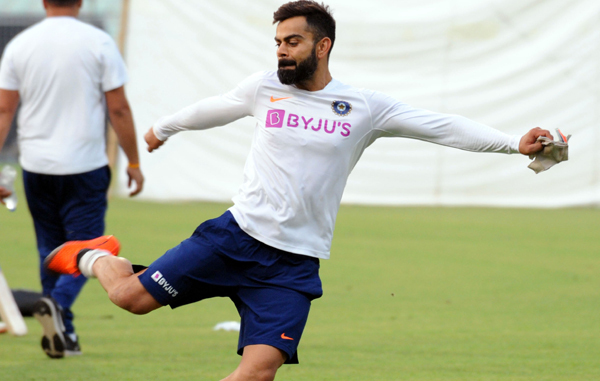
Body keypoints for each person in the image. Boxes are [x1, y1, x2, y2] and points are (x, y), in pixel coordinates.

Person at [44, 0, 552, 379]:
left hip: (290, 268)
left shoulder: (364, 107)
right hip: (232, 240)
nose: (283, 51)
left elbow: (440, 126)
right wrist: (162, 129)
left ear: (322, 45)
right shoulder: (264, 87)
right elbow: (213, 107)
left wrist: (514, 144)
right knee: (130, 299)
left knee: (258, 373)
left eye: (293, 41)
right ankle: (94, 256)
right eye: (279, 42)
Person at [0, 0, 144, 359]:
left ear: (43, 2)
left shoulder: (21, 44)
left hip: (36, 164)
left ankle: (66, 334)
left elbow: (4, 109)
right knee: (91, 250)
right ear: (80, 2)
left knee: (49, 249)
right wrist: (134, 161)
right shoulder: (98, 42)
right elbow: (119, 107)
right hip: (84, 164)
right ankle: (56, 304)